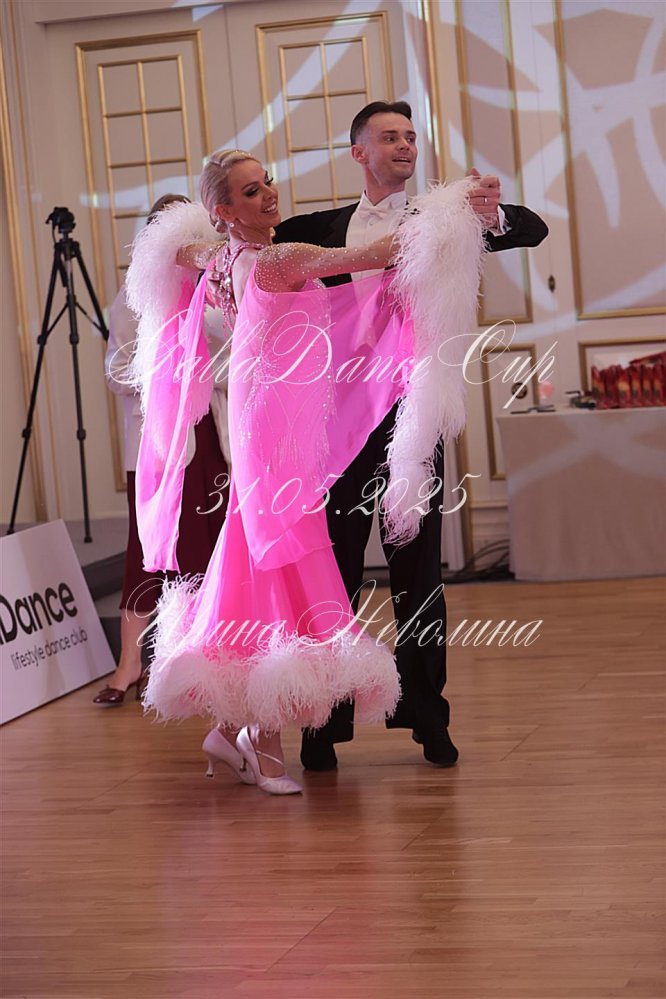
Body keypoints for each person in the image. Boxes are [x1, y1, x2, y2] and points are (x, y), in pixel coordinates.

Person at [126, 149, 486, 794]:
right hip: (273, 429)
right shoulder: (278, 259)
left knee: (256, 560)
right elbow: (374, 255)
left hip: (273, 418)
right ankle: (260, 743)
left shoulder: (218, 258)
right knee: (269, 563)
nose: (269, 194)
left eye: (266, 182)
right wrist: (451, 209)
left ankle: (233, 728)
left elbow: (178, 250)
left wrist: (192, 233)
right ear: (224, 209)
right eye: (250, 191)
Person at [272, 100, 549, 771]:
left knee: (417, 575)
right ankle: (323, 721)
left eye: (410, 136)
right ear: (358, 152)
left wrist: (491, 215)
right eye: (389, 137)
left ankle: (428, 715)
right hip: (336, 429)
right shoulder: (315, 230)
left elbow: (532, 228)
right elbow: (261, 257)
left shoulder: (441, 219)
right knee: (333, 574)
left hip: (411, 422)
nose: (404, 146)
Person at [93, 194, 230, 706]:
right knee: (146, 549)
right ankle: (129, 663)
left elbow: (236, 363)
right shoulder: (132, 298)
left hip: (211, 438)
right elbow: (117, 373)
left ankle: (198, 657)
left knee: (207, 546)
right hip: (158, 444)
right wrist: (170, 372)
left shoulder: (216, 293)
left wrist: (201, 369)